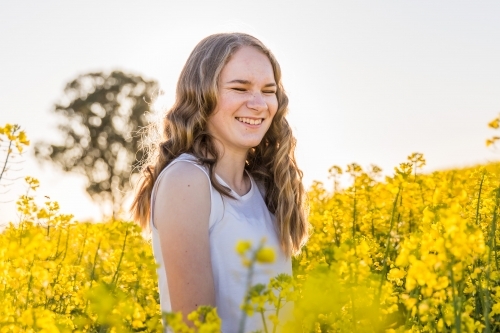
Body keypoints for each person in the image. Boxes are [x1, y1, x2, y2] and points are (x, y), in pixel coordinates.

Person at [131, 32, 308, 332]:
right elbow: (197, 327)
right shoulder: (187, 180)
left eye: (268, 90)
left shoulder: (265, 188)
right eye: (240, 88)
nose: (258, 104)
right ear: (202, 95)